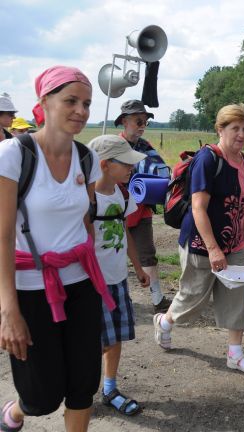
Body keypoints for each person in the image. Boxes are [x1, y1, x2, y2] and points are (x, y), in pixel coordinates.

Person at [0, 66, 116, 432]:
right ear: (44, 101)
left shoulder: (87, 158)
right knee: (41, 397)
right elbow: (2, 236)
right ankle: (14, 413)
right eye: (71, 101)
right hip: (31, 288)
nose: (81, 110)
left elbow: (83, 220)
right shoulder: (13, 155)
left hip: (81, 285)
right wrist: (8, 311)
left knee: (83, 385)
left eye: (86, 103)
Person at [153, 104, 244, 376]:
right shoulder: (208, 159)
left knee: (236, 297)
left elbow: (243, 202)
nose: (241, 134)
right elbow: (198, 208)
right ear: (220, 129)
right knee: (193, 299)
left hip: (235, 244)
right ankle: (165, 322)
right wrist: (214, 249)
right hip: (203, 244)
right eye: (234, 128)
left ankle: (234, 354)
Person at [87, 135, 151, 417]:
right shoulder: (86, 200)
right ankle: (81, 391)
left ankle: (109, 388)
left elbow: (126, 233)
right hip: (91, 284)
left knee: (115, 339)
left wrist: (137, 267)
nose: (130, 169)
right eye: (125, 163)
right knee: (90, 341)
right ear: (104, 165)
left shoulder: (122, 195)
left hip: (117, 281)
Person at [115, 99, 171, 313]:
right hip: (114, 211)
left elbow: (162, 171)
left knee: (147, 253)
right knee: (115, 253)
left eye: (145, 122)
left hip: (141, 210)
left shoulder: (147, 147)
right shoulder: (113, 146)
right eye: (138, 121)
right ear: (124, 121)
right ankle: (118, 298)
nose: (142, 126)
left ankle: (157, 299)